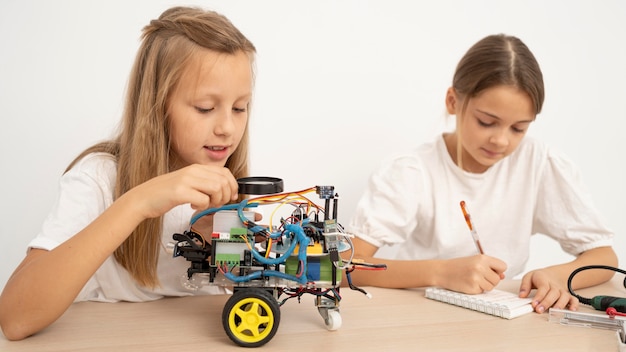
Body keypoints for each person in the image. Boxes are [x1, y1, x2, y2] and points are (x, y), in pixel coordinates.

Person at [0, 6, 256, 340]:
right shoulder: (98, 179)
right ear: (158, 102)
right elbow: (15, 318)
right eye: (205, 108)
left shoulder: (228, 188)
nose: (227, 127)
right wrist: (139, 202)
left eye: (240, 108)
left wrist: (230, 248)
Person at [345, 34, 617, 314]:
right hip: (421, 316)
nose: (501, 140)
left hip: (498, 320)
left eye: (518, 128)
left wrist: (558, 275)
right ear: (453, 101)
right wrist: (441, 272)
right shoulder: (413, 170)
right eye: (487, 122)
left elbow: (603, 255)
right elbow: (342, 266)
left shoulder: (539, 163)